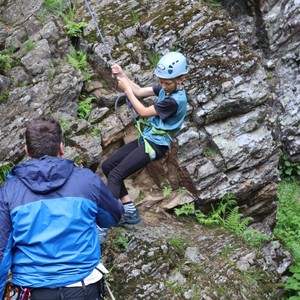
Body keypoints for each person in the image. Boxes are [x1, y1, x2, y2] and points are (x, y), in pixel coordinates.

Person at [0, 116, 124, 300]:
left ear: (26, 150)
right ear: (61, 147)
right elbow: (113, 217)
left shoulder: (9, 192)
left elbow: (2, 252)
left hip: (33, 291)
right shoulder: (87, 181)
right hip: (83, 288)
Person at [102, 51, 189, 226]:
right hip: (147, 139)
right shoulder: (167, 90)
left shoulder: (174, 101)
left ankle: (105, 219)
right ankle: (129, 211)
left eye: (167, 83)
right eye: (161, 82)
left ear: (181, 79)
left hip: (156, 145)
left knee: (116, 174)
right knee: (108, 166)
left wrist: (126, 90)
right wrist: (122, 75)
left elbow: (143, 111)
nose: (163, 86)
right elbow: (140, 91)